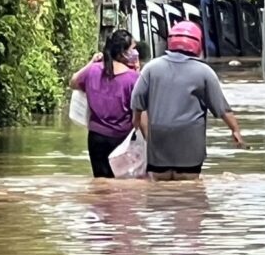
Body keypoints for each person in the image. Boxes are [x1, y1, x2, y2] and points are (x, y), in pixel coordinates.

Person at [131, 21, 245, 181]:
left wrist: (136, 125)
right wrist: (235, 130)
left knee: (158, 194)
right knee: (190, 193)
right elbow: (222, 108)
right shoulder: (205, 72)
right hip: (190, 145)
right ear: (198, 43)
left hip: (158, 143)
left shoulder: (151, 68)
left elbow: (137, 102)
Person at [70, 30, 141, 178]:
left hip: (96, 138)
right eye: (132, 49)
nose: (135, 52)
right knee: (121, 186)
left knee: (100, 183)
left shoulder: (93, 70)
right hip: (122, 140)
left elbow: (74, 82)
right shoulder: (133, 79)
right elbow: (137, 114)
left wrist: (92, 62)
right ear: (122, 53)